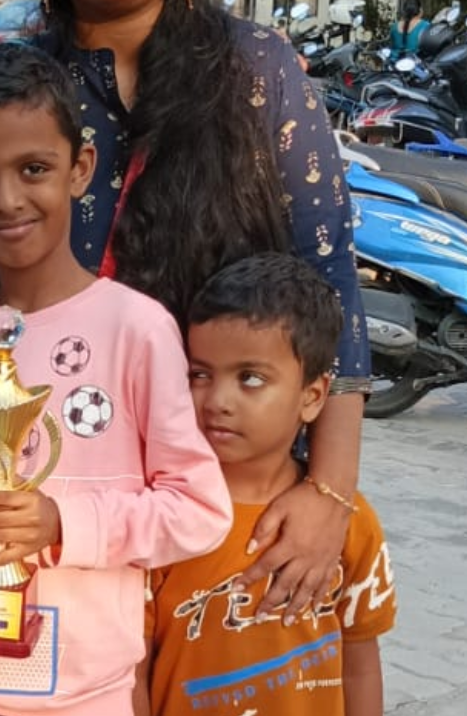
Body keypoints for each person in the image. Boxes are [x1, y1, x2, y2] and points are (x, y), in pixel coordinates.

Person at [0, 0, 370, 620]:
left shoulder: (259, 73)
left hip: (235, 524)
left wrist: (330, 494)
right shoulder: (9, 92)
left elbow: (331, 288)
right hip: (57, 536)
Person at [0, 44, 232, 716]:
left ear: (80, 169)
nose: (7, 199)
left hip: (79, 690)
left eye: (34, 169)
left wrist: (61, 524)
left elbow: (198, 510)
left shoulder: (137, 329)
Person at [150, 253, 396, 715]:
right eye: (200, 375)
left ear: (313, 396)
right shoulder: (159, 517)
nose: (218, 400)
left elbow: (360, 664)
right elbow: (132, 671)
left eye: (250, 378)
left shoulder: (348, 523)